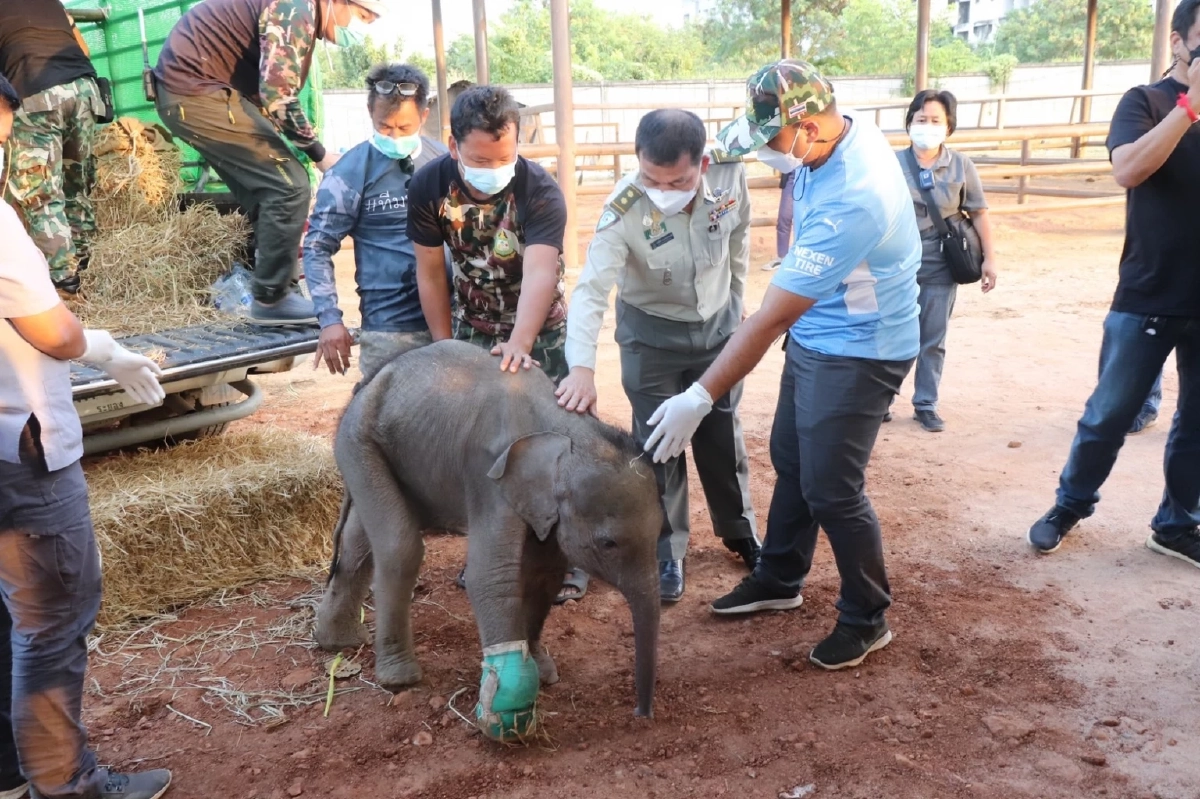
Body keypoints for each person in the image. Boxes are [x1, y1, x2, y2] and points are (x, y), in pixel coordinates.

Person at [643, 60, 920, 670]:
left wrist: (700, 395)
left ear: (806, 128)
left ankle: (866, 616)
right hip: (821, 332)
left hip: (862, 347)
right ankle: (780, 577)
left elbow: (767, 319)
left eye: (770, 141)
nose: (766, 153)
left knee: (832, 487)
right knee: (792, 457)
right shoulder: (831, 138)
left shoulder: (856, 196)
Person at [0, 73, 173, 799]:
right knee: (52, 613)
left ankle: (10, 771)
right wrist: (103, 346)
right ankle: (65, 784)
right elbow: (53, 328)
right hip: (20, 444)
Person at [557, 109, 761, 603]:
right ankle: (669, 551)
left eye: (679, 180)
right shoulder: (623, 207)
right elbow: (590, 290)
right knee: (659, 444)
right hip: (651, 340)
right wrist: (581, 366)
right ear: (637, 163)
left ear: (704, 163)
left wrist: (736, 304)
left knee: (721, 432)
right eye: (652, 178)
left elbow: (738, 241)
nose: (664, 189)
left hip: (718, 328)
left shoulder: (731, 176)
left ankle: (739, 532)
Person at [1026, 0, 1200, 564]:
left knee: (1197, 422)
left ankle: (1176, 525)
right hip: (1149, 292)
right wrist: (1189, 109)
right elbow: (1128, 169)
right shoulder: (1144, 102)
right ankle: (1069, 505)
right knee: (1110, 414)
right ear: (1179, 43)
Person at [406, 84, 587, 602]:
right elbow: (430, 273)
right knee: (480, 448)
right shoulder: (429, 185)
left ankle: (566, 560)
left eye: (504, 156)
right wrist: (443, 351)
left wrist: (521, 343)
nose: (494, 167)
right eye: (482, 158)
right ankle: (488, 556)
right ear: (452, 142)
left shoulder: (540, 190)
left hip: (541, 333)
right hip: (472, 328)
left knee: (555, 442)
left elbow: (540, 272)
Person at [153, 0, 388, 326]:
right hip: (196, 90)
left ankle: (273, 288)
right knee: (290, 185)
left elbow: (269, 97)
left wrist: (300, 146)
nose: (359, 26)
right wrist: (319, 154)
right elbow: (278, 94)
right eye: (361, 14)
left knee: (269, 188)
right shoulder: (297, 8)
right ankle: (271, 298)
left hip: (195, 91)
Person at [304, 63, 449, 382]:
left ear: (424, 117)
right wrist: (330, 319)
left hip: (454, 323)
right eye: (385, 127)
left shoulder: (444, 163)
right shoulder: (347, 174)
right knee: (388, 423)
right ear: (370, 111)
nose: (395, 136)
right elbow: (316, 247)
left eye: (404, 127)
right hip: (391, 330)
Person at [892, 89, 999, 433]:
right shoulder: (891, 164)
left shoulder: (961, 165)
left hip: (941, 262)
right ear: (909, 123)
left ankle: (926, 403)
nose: (927, 126)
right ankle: (882, 400)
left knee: (932, 338)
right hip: (896, 263)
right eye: (921, 120)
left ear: (949, 127)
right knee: (891, 334)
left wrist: (990, 259)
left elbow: (979, 213)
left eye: (935, 120)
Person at [0, 0, 103, 295]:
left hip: (35, 91)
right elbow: (84, 49)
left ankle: (63, 283)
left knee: (39, 192)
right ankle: (85, 268)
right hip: (83, 89)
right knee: (75, 184)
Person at [764, 169, 798, 271]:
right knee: (784, 217)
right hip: (792, 173)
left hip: (813, 174)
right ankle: (782, 257)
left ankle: (801, 256)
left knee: (806, 219)